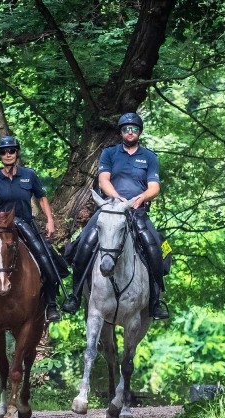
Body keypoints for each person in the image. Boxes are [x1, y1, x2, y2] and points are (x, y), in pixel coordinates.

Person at [61, 112, 169, 320]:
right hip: (110, 209)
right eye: (126, 129)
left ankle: (155, 301)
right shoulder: (109, 153)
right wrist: (117, 198)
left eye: (134, 129)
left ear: (139, 132)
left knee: (155, 247)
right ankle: (74, 295)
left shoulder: (149, 156)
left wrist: (141, 197)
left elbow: (154, 186)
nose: (130, 132)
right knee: (84, 243)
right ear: (121, 132)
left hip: (137, 210)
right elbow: (103, 180)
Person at [0, 135, 63, 322]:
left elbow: (42, 197)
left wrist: (49, 219)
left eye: (11, 151)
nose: (8, 154)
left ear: (17, 153)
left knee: (47, 260)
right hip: (0, 227)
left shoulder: (29, 175)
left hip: (25, 224)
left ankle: (51, 304)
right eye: (4, 152)